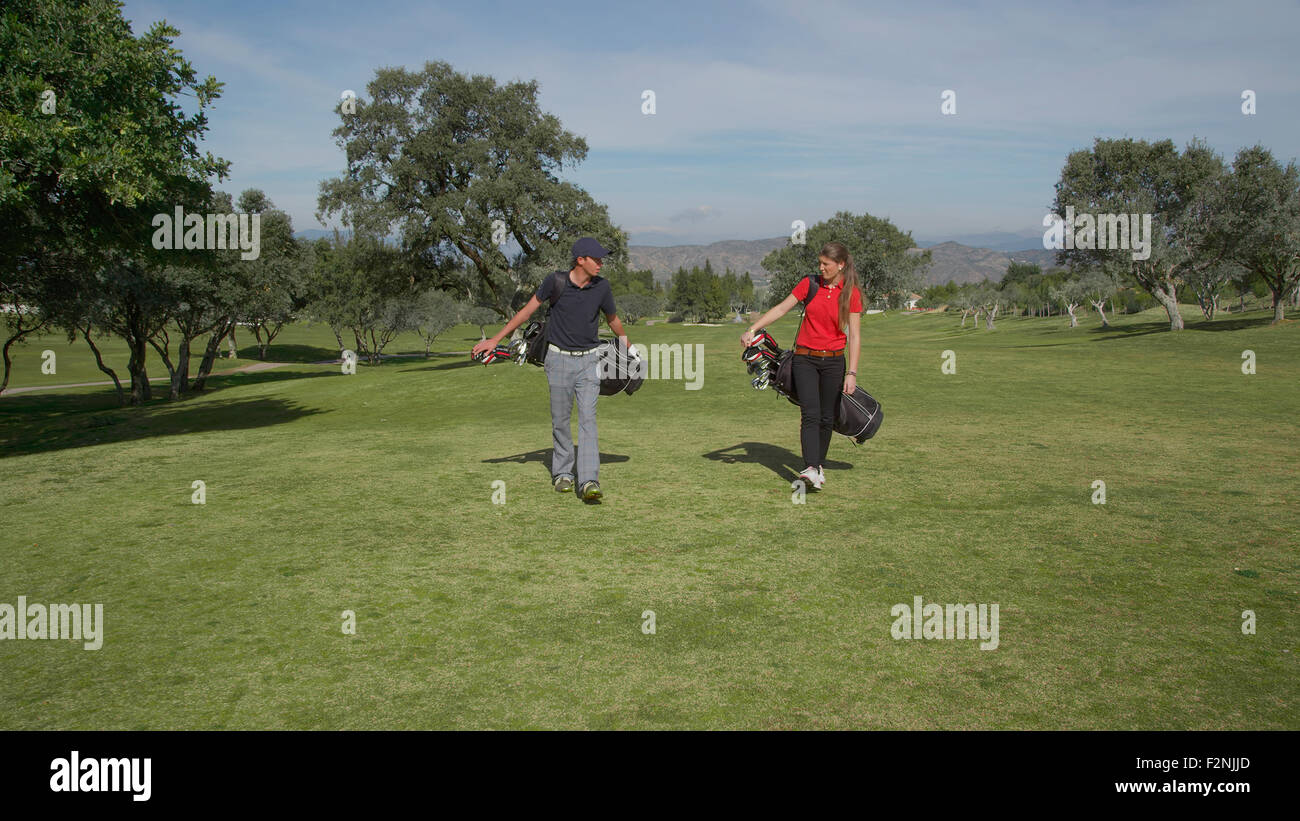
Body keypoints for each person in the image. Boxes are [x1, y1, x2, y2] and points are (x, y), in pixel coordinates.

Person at [471, 238, 629, 502]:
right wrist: (495, 340)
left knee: (588, 421)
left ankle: (589, 480)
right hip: (558, 361)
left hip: (590, 361)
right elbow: (525, 312)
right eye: (597, 259)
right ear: (581, 260)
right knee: (561, 421)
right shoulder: (554, 282)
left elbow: (613, 320)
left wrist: (628, 347)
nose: (601, 263)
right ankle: (563, 474)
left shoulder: (603, 287)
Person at [741, 241, 862, 490]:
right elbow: (782, 308)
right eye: (819, 263)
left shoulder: (851, 293)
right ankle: (809, 467)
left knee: (827, 417)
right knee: (810, 413)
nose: (821, 268)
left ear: (840, 265)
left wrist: (852, 372)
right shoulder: (810, 284)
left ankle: (817, 467)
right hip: (804, 359)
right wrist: (753, 328)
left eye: (826, 264)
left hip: (834, 362)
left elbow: (856, 336)